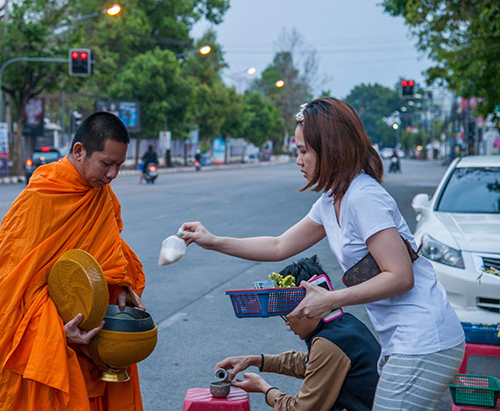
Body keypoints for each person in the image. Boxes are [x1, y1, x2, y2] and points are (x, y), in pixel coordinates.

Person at [179, 97, 465, 410]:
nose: (298, 160)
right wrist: (214, 240)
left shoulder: (363, 197)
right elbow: (279, 246)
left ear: (329, 149)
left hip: (424, 339)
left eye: (303, 151)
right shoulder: (332, 200)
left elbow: (400, 276)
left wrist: (330, 299)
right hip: (404, 342)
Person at [0, 112, 147, 410]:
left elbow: (110, 253)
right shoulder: (41, 197)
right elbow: (14, 283)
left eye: (119, 166)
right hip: (49, 335)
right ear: (79, 151)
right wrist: (58, 329)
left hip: (91, 330)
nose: (112, 175)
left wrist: (121, 286)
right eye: (106, 164)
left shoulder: (102, 196)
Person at [216, 271, 380, 411]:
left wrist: (264, 389)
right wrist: (254, 360)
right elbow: (312, 363)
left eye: (286, 314)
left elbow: (301, 409)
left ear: (306, 307)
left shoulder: (329, 343)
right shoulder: (344, 323)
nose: (287, 322)